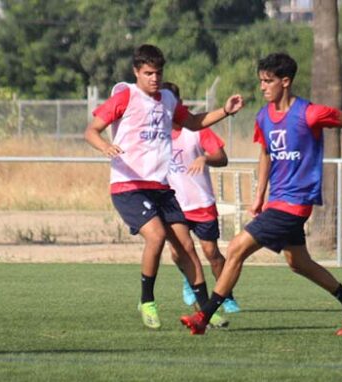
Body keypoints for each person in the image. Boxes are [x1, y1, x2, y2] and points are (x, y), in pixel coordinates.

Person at [180, 52, 342, 336]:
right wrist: (260, 194)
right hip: (277, 201)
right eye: (261, 80)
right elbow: (265, 153)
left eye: (268, 81)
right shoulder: (264, 116)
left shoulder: (309, 113)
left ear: (285, 82)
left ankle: (204, 316)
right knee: (298, 263)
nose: (262, 86)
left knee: (236, 248)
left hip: (296, 203)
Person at [84, 44, 243, 330]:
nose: (154, 78)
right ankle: (147, 300)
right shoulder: (126, 97)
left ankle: (206, 310)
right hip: (128, 185)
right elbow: (91, 130)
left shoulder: (168, 98)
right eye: (148, 73)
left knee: (185, 246)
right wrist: (105, 146)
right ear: (136, 72)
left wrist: (225, 111)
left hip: (160, 186)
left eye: (158, 72)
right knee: (156, 236)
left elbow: (193, 122)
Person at [162, 82, 241, 314]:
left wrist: (205, 158)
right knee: (178, 252)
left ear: (179, 103)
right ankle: (190, 280)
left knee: (212, 254)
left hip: (201, 203)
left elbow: (221, 157)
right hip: (174, 205)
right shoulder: (157, 132)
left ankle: (226, 295)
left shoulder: (196, 128)